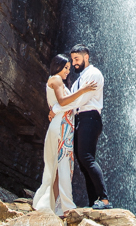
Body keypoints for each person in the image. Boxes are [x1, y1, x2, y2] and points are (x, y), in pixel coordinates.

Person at [32, 54, 97, 216]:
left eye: (69, 68)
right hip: (61, 126)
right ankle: (66, 206)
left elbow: (65, 104)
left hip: (65, 126)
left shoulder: (58, 81)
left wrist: (56, 109)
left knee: (59, 169)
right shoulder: (55, 79)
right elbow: (62, 101)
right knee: (62, 166)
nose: (68, 71)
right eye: (65, 67)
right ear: (57, 66)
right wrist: (83, 91)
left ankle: (52, 206)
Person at [67, 44, 112, 210]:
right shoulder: (79, 80)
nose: (74, 63)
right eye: (72, 60)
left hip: (90, 117)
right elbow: (74, 101)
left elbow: (81, 99)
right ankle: (94, 201)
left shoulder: (94, 74)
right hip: (81, 119)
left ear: (86, 57)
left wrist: (63, 106)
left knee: (86, 157)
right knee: (83, 161)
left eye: (77, 59)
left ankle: (104, 199)